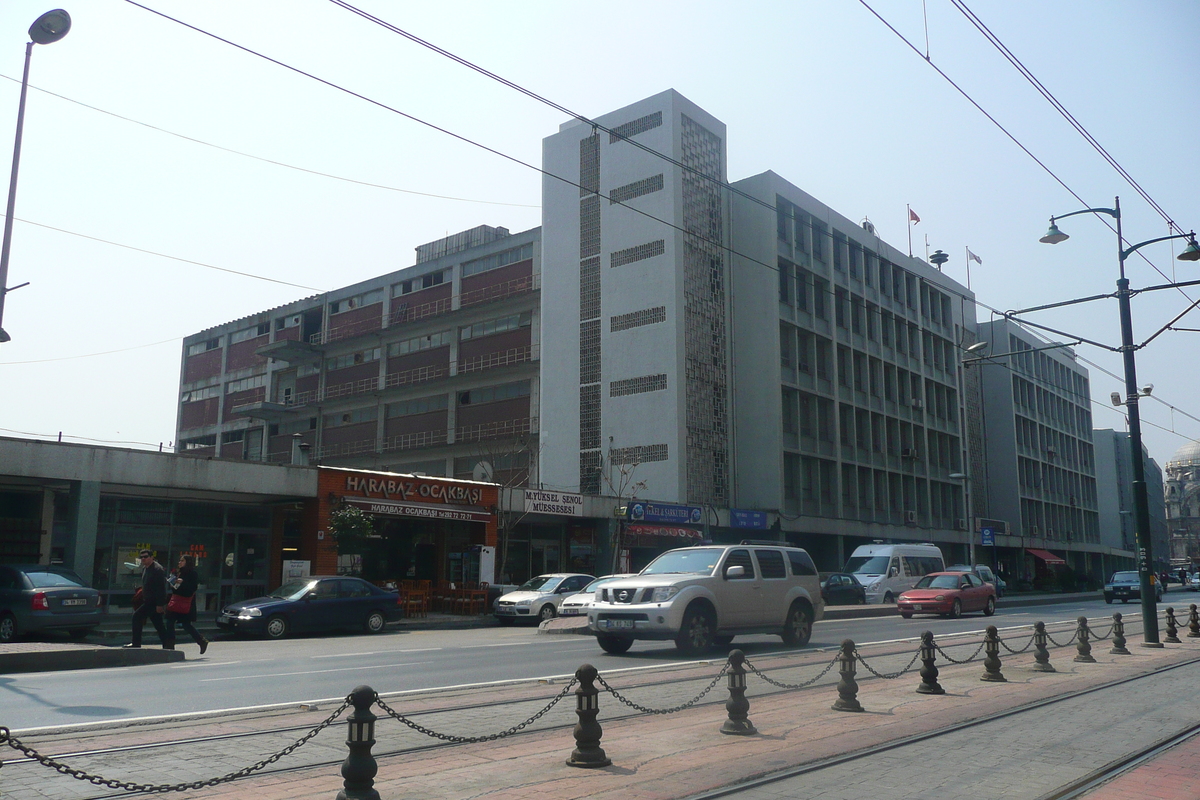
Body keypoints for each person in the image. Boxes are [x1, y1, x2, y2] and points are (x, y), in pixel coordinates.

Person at [125, 549, 171, 649]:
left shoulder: (157, 569)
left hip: (153, 602)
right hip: (148, 600)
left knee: (136, 617)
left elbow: (161, 588)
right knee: (158, 624)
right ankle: (168, 645)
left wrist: (160, 604)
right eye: (141, 557)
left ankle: (136, 643)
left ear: (151, 557)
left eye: (145, 557)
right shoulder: (146, 568)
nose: (143, 559)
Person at [165, 554, 210, 654]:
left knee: (186, 624)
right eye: (179, 561)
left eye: (182, 561)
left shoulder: (192, 574)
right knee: (169, 622)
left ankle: (201, 641)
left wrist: (182, 583)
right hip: (176, 601)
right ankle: (170, 647)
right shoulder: (178, 572)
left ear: (187, 562)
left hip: (185, 603)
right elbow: (175, 589)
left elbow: (192, 589)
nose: (179, 562)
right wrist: (174, 582)